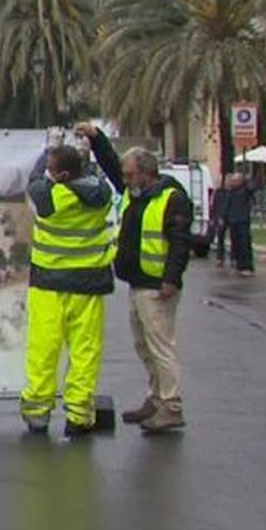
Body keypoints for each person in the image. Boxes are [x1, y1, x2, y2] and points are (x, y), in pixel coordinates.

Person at [83, 126, 194, 435]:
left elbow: (180, 241)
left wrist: (171, 279)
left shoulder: (171, 199)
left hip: (158, 286)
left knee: (161, 347)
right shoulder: (136, 193)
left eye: (131, 175)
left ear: (147, 173)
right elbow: (110, 164)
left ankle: (171, 406)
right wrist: (95, 138)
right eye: (126, 175)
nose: (126, 180)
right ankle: (156, 398)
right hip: (137, 282)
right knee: (143, 345)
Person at [20, 143, 115, 438]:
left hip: (49, 284)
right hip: (88, 284)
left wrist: (42, 151)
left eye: (52, 169)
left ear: (60, 175)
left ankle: (37, 413)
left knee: (43, 349)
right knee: (85, 351)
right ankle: (78, 414)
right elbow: (90, 175)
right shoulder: (102, 196)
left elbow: (34, 180)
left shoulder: (49, 197)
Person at [220, 174, 256, 276]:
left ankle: (247, 267)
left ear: (240, 181)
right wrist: (224, 218)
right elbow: (227, 205)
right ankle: (238, 266)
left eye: (235, 181)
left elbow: (252, 187)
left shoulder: (245, 191)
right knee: (235, 245)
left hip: (242, 221)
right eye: (232, 181)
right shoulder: (231, 192)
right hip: (233, 221)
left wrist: (246, 179)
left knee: (244, 245)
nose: (233, 183)